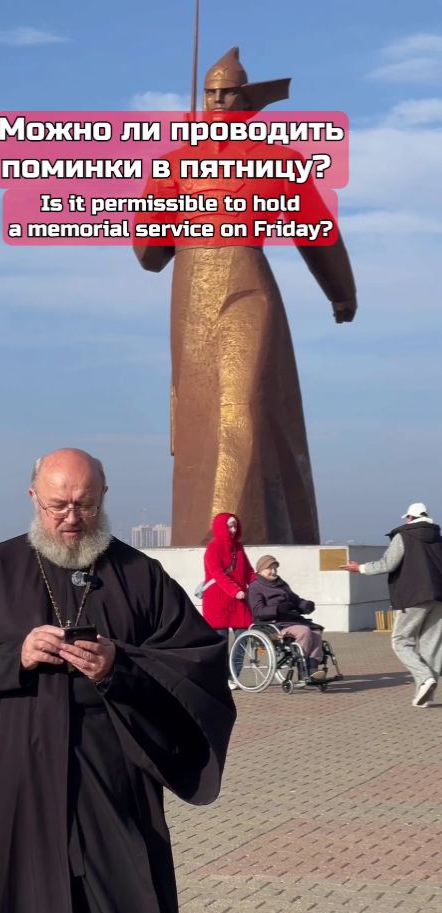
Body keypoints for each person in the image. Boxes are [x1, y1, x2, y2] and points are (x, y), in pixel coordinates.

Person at [0, 448, 236, 913]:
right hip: (8, 781)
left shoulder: (140, 575)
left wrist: (119, 666)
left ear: (104, 497)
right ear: (34, 498)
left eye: (85, 504)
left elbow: (196, 665)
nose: (72, 518)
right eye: (58, 505)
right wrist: (13, 656)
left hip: (109, 780)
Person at [134, 47, 357, 546]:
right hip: (203, 293)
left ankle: (229, 533)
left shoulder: (266, 161)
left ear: (242, 98)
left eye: (224, 92)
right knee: (207, 415)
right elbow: (149, 253)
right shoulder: (184, 163)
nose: (217, 100)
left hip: (232, 286)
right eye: (212, 93)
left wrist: (342, 294)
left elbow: (317, 232)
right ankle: (212, 536)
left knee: (238, 406)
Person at [341, 502, 442, 707]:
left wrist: (359, 568)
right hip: (439, 598)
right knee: (431, 647)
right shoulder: (438, 538)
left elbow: (388, 564)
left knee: (400, 641)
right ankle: (425, 696)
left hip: (413, 597)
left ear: (410, 518)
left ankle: (425, 678)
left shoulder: (404, 536)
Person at [248, 554, 326, 680]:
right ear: (260, 570)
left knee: (316, 631)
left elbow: (295, 600)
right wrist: (277, 609)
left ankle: (313, 668)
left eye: (275, 568)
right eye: (270, 569)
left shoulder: (281, 584)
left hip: (290, 620)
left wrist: (305, 605)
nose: (273, 571)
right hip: (273, 624)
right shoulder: (255, 587)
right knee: (304, 631)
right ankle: (303, 670)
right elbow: (258, 611)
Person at [201, 512, 255, 689]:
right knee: (220, 644)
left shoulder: (238, 547)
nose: (233, 529)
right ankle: (221, 678)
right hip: (218, 601)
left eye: (235, 526)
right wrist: (235, 591)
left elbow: (248, 572)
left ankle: (233, 676)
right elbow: (217, 574)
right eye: (229, 526)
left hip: (238, 602)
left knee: (243, 637)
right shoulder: (213, 548)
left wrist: (259, 585)